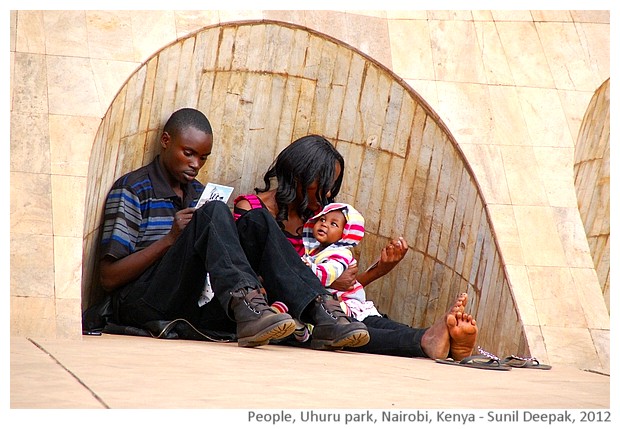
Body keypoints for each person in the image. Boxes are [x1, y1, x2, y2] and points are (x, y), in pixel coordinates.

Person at [97, 108, 369, 350]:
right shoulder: (133, 188)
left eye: (203, 158)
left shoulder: (198, 192)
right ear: (166, 142)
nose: (195, 165)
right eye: (188, 154)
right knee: (214, 212)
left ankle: (321, 311)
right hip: (141, 303)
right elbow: (108, 278)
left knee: (258, 220)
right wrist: (170, 240)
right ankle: (249, 307)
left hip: (192, 303)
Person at [234, 134, 478, 360]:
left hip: (328, 302)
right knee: (344, 329)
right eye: (323, 183)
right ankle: (426, 340)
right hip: (286, 308)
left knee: (365, 319)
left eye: (334, 184)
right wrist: (326, 282)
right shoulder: (252, 210)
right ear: (299, 174)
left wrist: (379, 270)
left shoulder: (322, 217)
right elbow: (251, 273)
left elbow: (343, 285)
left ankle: (440, 340)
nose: (329, 192)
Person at [301, 202, 381, 321]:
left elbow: (328, 274)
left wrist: (309, 268)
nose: (324, 225)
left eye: (333, 224)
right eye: (322, 219)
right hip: (326, 299)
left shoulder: (341, 254)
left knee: (329, 310)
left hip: (346, 300)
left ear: (345, 234)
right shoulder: (314, 251)